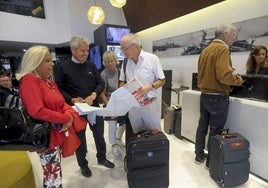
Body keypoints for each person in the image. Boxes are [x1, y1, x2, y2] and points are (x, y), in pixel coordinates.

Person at [15, 45, 86, 188]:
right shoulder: (29, 80)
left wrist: (68, 114)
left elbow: (61, 103)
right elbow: (37, 111)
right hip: (45, 137)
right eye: (47, 61)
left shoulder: (48, 81)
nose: (52, 64)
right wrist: (66, 118)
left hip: (55, 134)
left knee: (54, 172)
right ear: (36, 62)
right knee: (52, 175)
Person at [54, 36, 114, 178]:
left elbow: (100, 84)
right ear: (73, 50)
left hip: (93, 107)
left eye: (87, 50)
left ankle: (102, 158)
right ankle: (83, 164)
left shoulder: (91, 65)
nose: (86, 53)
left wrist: (93, 95)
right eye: (82, 50)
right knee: (80, 139)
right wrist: (72, 99)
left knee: (99, 135)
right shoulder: (62, 67)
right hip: (76, 111)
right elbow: (59, 88)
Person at [194, 23, 243, 169]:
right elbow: (222, 76)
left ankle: (198, 155)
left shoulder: (206, 50)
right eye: (233, 35)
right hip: (218, 96)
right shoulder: (222, 49)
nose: (234, 38)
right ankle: (211, 162)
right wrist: (238, 80)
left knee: (202, 127)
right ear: (225, 34)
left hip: (205, 95)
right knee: (215, 131)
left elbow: (207, 72)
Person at [119, 33, 166, 134]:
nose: (123, 52)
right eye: (121, 49)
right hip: (133, 106)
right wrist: (123, 88)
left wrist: (150, 86)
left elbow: (162, 80)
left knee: (154, 133)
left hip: (150, 104)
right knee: (137, 134)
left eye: (125, 49)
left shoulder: (152, 59)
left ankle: (154, 150)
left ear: (135, 46)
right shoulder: (126, 62)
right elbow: (122, 81)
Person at [99, 51, 126, 157]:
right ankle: (113, 145)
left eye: (112, 61)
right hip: (110, 101)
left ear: (115, 60)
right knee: (112, 124)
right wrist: (109, 108)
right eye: (107, 61)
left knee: (124, 122)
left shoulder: (120, 72)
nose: (110, 63)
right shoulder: (103, 74)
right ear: (105, 63)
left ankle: (118, 138)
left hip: (121, 101)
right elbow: (102, 93)